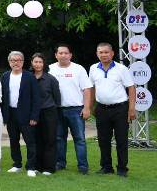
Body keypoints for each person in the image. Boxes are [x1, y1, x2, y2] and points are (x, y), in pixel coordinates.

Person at [88, 42, 136, 177]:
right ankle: (106, 167)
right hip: (101, 109)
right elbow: (91, 88)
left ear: (112, 53)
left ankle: (122, 168)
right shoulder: (93, 68)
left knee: (121, 140)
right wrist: (90, 107)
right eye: (101, 52)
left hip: (120, 109)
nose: (103, 55)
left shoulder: (121, 69)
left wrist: (131, 109)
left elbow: (131, 88)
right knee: (103, 140)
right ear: (97, 54)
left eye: (106, 52)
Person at [49, 43, 92, 174]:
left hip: (76, 110)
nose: (63, 55)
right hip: (57, 110)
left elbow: (87, 89)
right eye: (60, 53)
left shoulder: (78, 69)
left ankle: (83, 166)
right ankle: (60, 163)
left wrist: (87, 108)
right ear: (56, 55)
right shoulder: (50, 69)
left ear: (70, 55)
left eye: (66, 53)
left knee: (79, 139)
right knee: (59, 138)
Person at [1, 50, 41, 177]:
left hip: (26, 114)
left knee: (30, 141)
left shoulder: (29, 76)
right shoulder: (5, 76)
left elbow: (36, 98)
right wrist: (4, 116)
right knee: (13, 140)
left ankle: (31, 166)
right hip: (10, 114)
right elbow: (2, 97)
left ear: (23, 62)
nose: (16, 63)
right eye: (13, 60)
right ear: (9, 62)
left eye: (18, 60)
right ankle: (17, 164)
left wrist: (34, 116)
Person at [32, 53, 61, 175]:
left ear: (44, 64)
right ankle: (38, 166)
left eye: (40, 62)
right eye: (36, 62)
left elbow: (57, 99)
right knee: (36, 140)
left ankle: (49, 168)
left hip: (49, 112)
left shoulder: (51, 79)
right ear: (32, 63)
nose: (38, 64)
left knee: (49, 140)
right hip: (33, 114)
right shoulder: (28, 78)